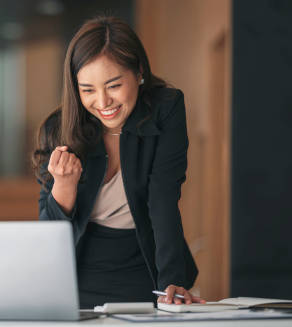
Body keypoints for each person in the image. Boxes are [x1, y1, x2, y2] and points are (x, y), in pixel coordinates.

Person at [32, 16, 205, 308]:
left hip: (147, 271)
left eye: (113, 85)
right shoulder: (59, 129)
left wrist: (171, 281)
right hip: (76, 276)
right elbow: (49, 237)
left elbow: (163, 198)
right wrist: (64, 185)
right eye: (87, 90)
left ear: (138, 72)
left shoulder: (165, 108)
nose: (103, 102)